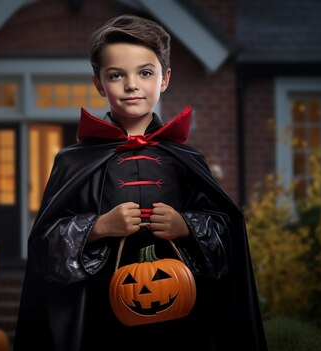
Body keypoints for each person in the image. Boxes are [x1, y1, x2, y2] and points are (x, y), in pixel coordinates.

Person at [13, 14, 267, 351]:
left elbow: (228, 236)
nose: (132, 85)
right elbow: (45, 245)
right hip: (100, 318)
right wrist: (98, 226)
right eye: (117, 75)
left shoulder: (187, 160)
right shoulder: (73, 161)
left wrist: (187, 225)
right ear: (99, 84)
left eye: (145, 73)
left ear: (164, 79)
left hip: (183, 316)